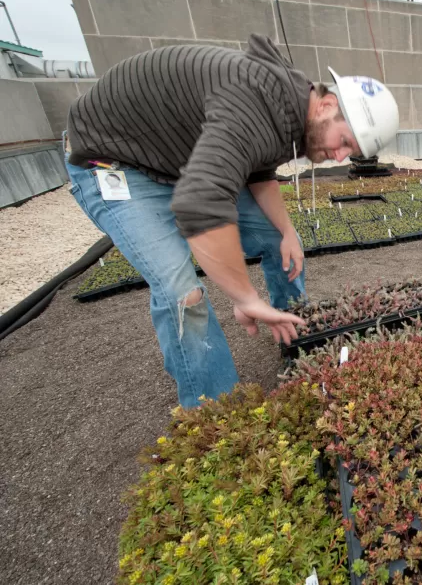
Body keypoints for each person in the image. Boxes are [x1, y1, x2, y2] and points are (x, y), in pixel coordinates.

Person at [66, 34, 400, 407]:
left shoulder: (290, 109)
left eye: (349, 152)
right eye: (345, 142)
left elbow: (258, 172)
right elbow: (202, 204)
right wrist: (244, 296)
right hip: (115, 165)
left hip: (176, 163)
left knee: (278, 238)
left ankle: (292, 331)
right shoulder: (254, 107)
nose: (339, 157)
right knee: (183, 294)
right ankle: (216, 415)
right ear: (326, 104)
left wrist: (286, 231)